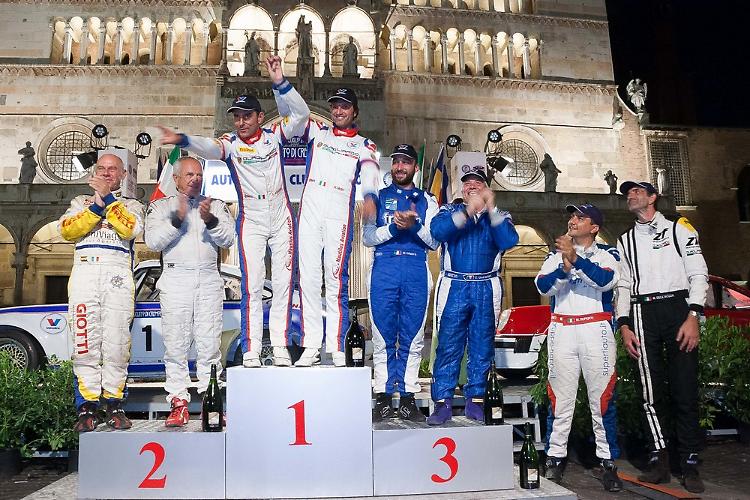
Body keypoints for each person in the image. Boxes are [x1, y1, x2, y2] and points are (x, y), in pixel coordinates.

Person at [159, 55, 309, 368]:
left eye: (246, 116)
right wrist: (183, 139)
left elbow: (302, 114)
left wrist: (280, 82)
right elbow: (208, 147)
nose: (240, 121)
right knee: (252, 285)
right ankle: (252, 349)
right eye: (236, 117)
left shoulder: (275, 135)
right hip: (251, 218)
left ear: (259, 116)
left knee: (284, 283)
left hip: (281, 215)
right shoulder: (230, 144)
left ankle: (280, 346)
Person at [615, 180, 708, 494]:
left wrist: (693, 315)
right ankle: (660, 459)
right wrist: (624, 324)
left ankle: (690, 461)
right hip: (642, 312)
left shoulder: (679, 228)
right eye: (628, 193)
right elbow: (624, 285)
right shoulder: (625, 239)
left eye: (638, 191)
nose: (631, 195)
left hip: (678, 308)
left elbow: (698, 272)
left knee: (685, 388)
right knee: (650, 392)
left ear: (653, 197)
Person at [535, 204, 622, 491]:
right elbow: (543, 286)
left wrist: (576, 260)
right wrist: (564, 266)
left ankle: (608, 463)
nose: (573, 220)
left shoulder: (608, 253)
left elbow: (606, 281)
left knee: (602, 399)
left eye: (580, 217)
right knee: (560, 400)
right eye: (572, 216)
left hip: (595, 328)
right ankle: (555, 458)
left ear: (594, 227)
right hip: (562, 328)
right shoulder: (554, 255)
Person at [144, 157, 235, 427]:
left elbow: (229, 239)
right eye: (189, 174)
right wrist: (177, 219)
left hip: (208, 277)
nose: (195, 179)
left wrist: (210, 220)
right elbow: (153, 241)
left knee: (209, 346)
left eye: (199, 175)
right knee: (176, 345)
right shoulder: (161, 206)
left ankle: (211, 403)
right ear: (176, 179)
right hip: (176, 278)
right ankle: (178, 403)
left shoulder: (215, 205)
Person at [59, 153, 145, 432]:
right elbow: (67, 231)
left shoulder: (131, 205)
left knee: (117, 342)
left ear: (123, 175)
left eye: (113, 169)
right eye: (102, 169)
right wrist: (97, 207)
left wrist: (108, 199)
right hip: (85, 273)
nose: (107, 173)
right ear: (95, 172)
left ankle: (114, 404)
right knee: (84, 339)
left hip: (117, 274)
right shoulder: (79, 202)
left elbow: (130, 229)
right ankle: (86, 406)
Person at [295, 87, 380, 367]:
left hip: (338, 209)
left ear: (354, 111)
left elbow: (370, 172)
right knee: (308, 279)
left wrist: (370, 197)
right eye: (335, 106)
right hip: (311, 207)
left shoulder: (364, 145)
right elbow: (295, 111)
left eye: (344, 106)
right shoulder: (318, 132)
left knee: (335, 281)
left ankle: (336, 346)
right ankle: (310, 346)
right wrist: (280, 82)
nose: (338, 111)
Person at [427, 168, 519, 425]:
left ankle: (476, 400)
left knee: (482, 345)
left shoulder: (499, 216)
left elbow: (508, 240)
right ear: (462, 190)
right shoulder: (449, 210)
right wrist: (468, 211)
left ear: (487, 189)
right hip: (454, 284)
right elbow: (439, 232)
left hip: (486, 286)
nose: (472, 187)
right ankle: (442, 402)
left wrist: (490, 209)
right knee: (448, 344)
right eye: (467, 184)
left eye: (478, 183)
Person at [363, 144, 438, 422]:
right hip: (384, 267)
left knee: (413, 336)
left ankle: (407, 398)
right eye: (396, 161)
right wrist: (394, 228)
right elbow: (368, 237)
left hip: (416, 267)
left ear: (415, 167)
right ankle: (383, 397)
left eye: (406, 162)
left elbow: (435, 242)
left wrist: (414, 225)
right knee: (382, 336)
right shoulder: (377, 198)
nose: (399, 167)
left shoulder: (428, 200)